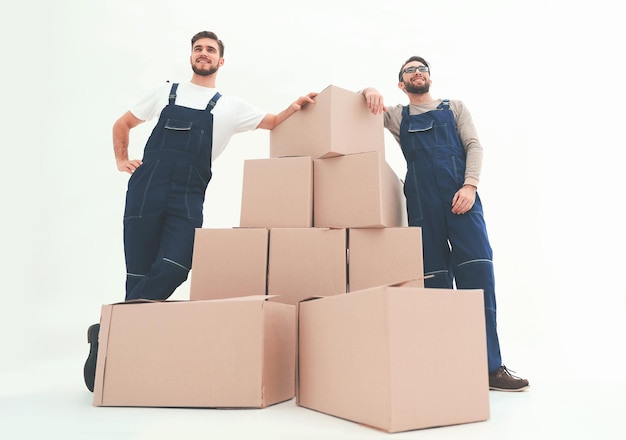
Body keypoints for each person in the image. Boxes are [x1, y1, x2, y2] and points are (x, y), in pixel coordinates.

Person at [83, 30, 317, 392]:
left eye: (210, 50)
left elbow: (272, 121)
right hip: (147, 189)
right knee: (139, 273)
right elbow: (122, 124)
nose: (203, 53)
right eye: (198, 49)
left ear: (221, 60)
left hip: (189, 194)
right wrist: (121, 160)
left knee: (178, 264)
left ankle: (109, 326)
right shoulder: (166, 92)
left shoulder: (230, 106)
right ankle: (116, 367)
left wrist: (296, 104)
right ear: (191, 56)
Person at [360, 56, 529, 392]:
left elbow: (473, 146)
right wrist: (368, 90)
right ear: (401, 84)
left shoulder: (455, 108)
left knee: (478, 272)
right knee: (434, 280)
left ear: (430, 79)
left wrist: (470, 185)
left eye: (422, 69)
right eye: (410, 70)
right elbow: (359, 109)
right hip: (422, 203)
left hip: (461, 200)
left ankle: (490, 367)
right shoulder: (397, 116)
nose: (418, 72)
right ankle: (446, 364)